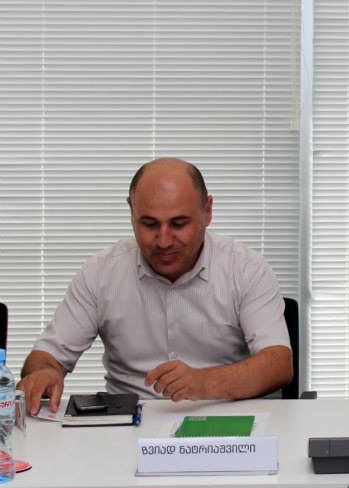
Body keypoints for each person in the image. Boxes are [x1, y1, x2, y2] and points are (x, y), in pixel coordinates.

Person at [18, 158, 293, 415]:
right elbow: (46, 357)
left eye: (179, 224)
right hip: (126, 424)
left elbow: (278, 364)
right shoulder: (101, 272)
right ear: (131, 211)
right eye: (149, 224)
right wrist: (44, 373)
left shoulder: (245, 268)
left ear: (207, 211)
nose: (163, 241)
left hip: (227, 420)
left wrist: (203, 383)